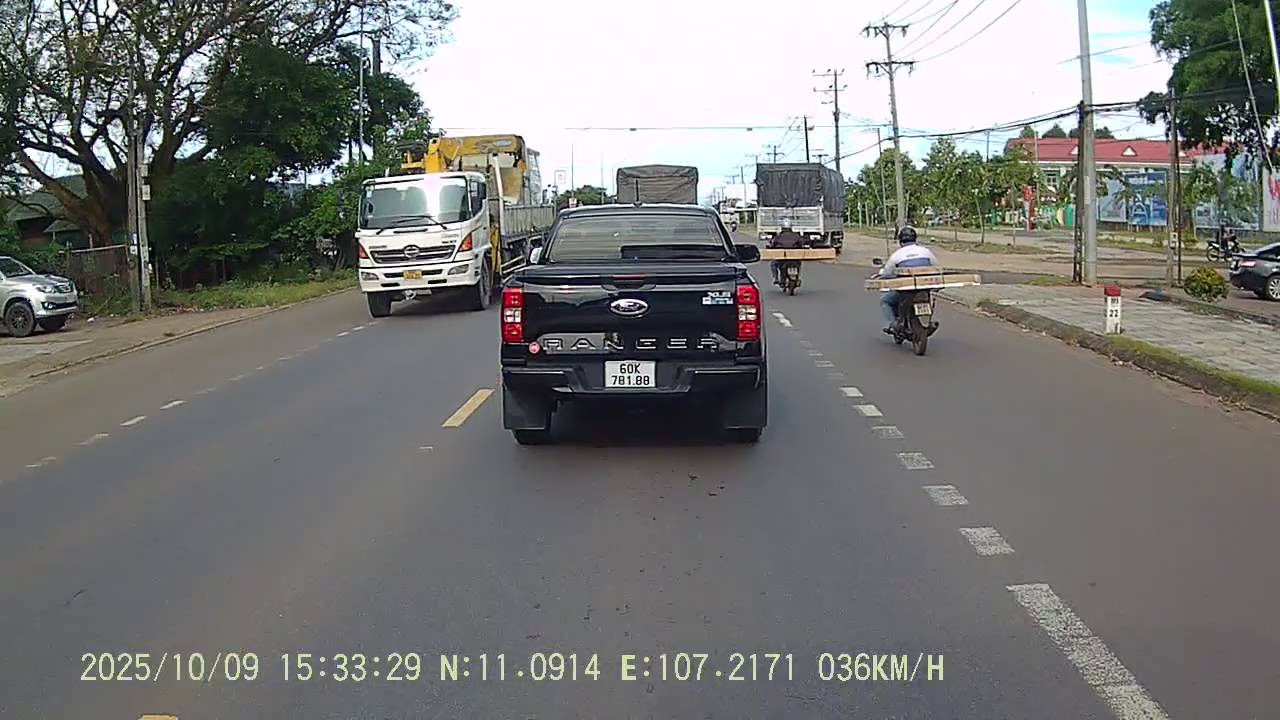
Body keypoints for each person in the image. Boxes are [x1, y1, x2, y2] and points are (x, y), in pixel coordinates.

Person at [876, 225, 939, 333]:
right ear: (915, 239)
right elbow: (936, 266)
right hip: (924, 288)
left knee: (885, 300)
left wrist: (882, 274)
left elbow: (887, 272)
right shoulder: (926, 251)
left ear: (901, 241)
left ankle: (894, 324)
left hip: (906, 290)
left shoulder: (897, 255)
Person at [769, 218, 807, 285]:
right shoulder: (796, 236)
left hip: (782, 259)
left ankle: (776, 278)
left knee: (773, 264)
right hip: (794, 258)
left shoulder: (778, 236)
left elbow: (773, 245)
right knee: (799, 263)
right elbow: (801, 244)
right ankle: (797, 277)